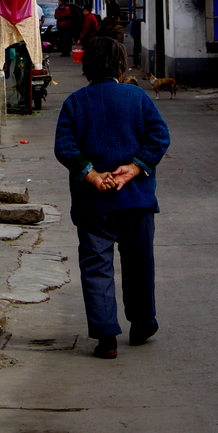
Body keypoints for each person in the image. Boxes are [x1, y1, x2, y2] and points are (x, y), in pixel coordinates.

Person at [54, 36, 170, 360]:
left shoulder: (75, 103)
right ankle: (143, 322)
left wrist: (92, 176)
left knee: (96, 266)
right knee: (139, 264)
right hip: (136, 200)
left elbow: (64, 146)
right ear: (121, 66)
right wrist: (133, 169)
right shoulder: (138, 97)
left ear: (86, 67)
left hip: (94, 203)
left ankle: (106, 337)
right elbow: (160, 136)